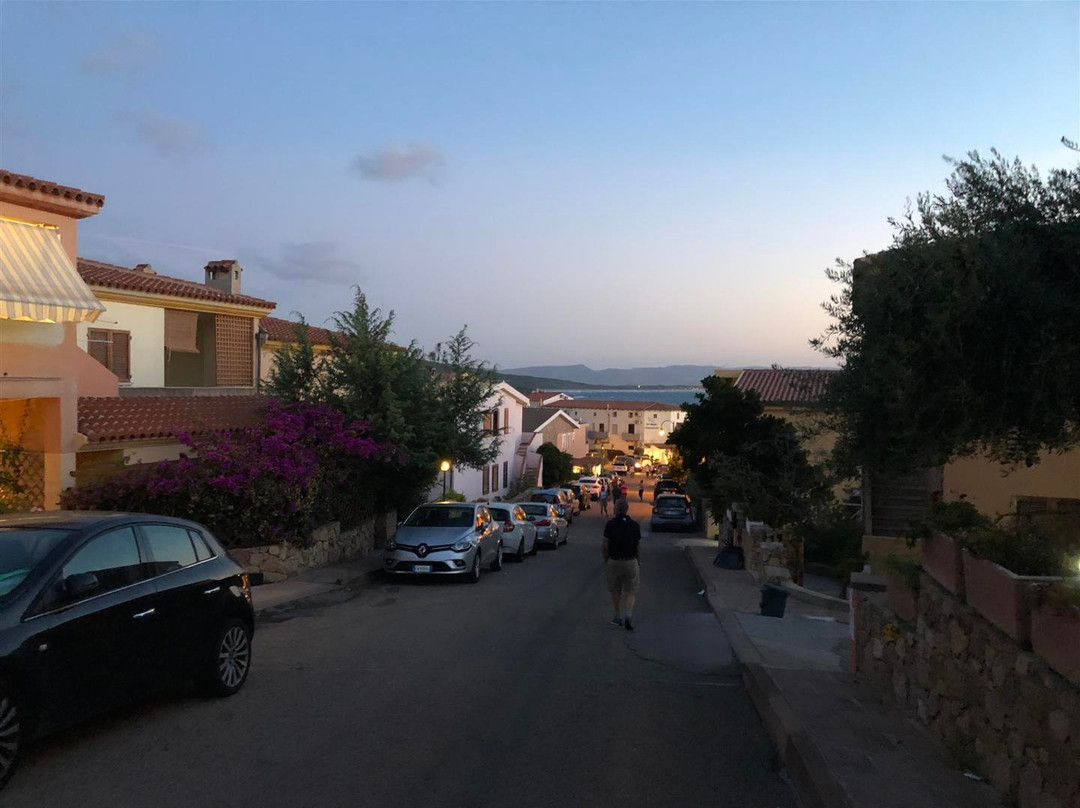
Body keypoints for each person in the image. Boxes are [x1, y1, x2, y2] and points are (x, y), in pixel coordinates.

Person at [602, 498, 641, 631]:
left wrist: (606, 559)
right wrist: (638, 559)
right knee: (630, 590)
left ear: (617, 509)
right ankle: (628, 615)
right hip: (630, 561)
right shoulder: (635, 525)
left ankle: (617, 616)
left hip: (614, 561)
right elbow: (638, 545)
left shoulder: (610, 525)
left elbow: (604, 545)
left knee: (615, 590)